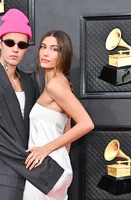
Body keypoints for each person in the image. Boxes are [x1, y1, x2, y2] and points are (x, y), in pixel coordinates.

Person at [0, 9, 64, 200]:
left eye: (22, 44)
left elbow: (37, 127)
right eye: (10, 42)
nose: (15, 49)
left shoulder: (30, 83)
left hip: (28, 178)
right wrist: (45, 171)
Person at [23, 30, 94, 200]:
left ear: (64, 54)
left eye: (54, 49)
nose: (46, 53)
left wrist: (45, 149)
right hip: (58, 167)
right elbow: (66, 131)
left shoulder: (55, 85)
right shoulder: (62, 82)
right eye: (43, 47)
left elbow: (86, 123)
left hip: (45, 168)